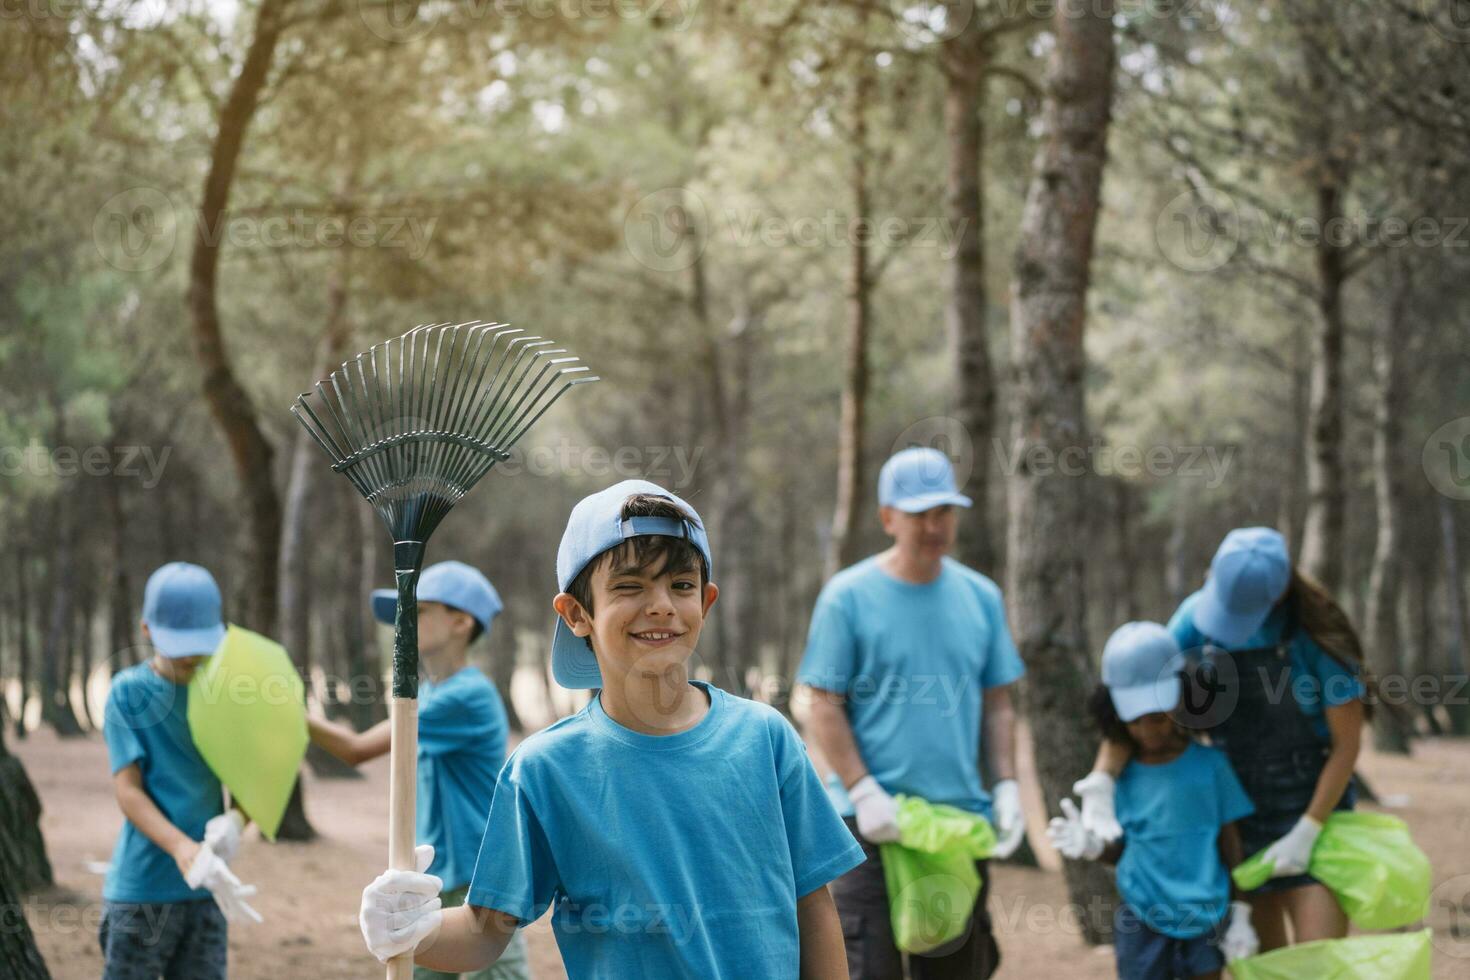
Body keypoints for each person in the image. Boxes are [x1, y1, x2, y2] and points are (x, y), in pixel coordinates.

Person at [355, 479, 865, 978]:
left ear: (705, 603)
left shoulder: (766, 739)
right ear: (577, 613)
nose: (662, 604)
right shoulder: (544, 771)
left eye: (681, 585)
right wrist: (413, 930)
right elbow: (485, 931)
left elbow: (814, 906)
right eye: (629, 586)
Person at [1072, 527, 1367, 951]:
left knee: (1317, 962)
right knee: (1265, 965)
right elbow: (1141, 701)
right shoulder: (1194, 620)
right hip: (1237, 808)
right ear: (1210, 577)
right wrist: (1102, 780)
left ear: (1278, 595)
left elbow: (1347, 746)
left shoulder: (1319, 637)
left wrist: (1308, 829)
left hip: (1317, 810)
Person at [796, 446, 1026, 979]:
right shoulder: (848, 597)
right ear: (887, 518)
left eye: (943, 511)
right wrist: (863, 789)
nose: (933, 525)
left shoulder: (982, 598)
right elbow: (822, 702)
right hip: (870, 826)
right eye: (919, 512)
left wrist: (1009, 785)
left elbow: (998, 704)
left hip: (955, 822)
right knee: (866, 967)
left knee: (953, 968)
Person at [307, 560, 530, 980]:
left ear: (461, 622)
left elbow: (355, 749)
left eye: (418, 611)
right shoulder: (430, 692)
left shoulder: (468, 695)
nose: (402, 623)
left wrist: (284, 710)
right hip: (429, 880)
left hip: (481, 882)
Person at [1047, 622, 1259, 980]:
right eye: (1136, 721)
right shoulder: (1121, 777)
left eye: (1159, 717)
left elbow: (1231, 842)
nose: (1150, 731)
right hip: (1142, 918)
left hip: (1206, 915)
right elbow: (1124, 849)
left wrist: (1241, 912)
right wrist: (1093, 847)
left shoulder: (1211, 767)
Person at [101, 561, 260, 980]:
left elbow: (253, 781)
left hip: (207, 892)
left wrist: (236, 819)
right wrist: (180, 848)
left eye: (200, 644)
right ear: (146, 630)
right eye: (179, 642)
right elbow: (128, 791)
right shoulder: (128, 694)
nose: (190, 654)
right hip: (142, 893)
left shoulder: (229, 696)